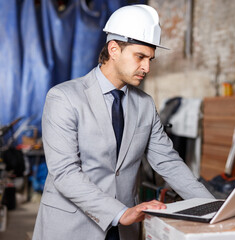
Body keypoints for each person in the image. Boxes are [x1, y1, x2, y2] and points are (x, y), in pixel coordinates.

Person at [32, 4, 214, 240]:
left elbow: (168, 161)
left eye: (150, 59)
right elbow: (65, 173)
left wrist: (214, 206)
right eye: (140, 57)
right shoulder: (64, 98)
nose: (147, 67)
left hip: (125, 229)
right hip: (73, 226)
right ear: (114, 49)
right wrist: (119, 212)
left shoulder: (145, 104)